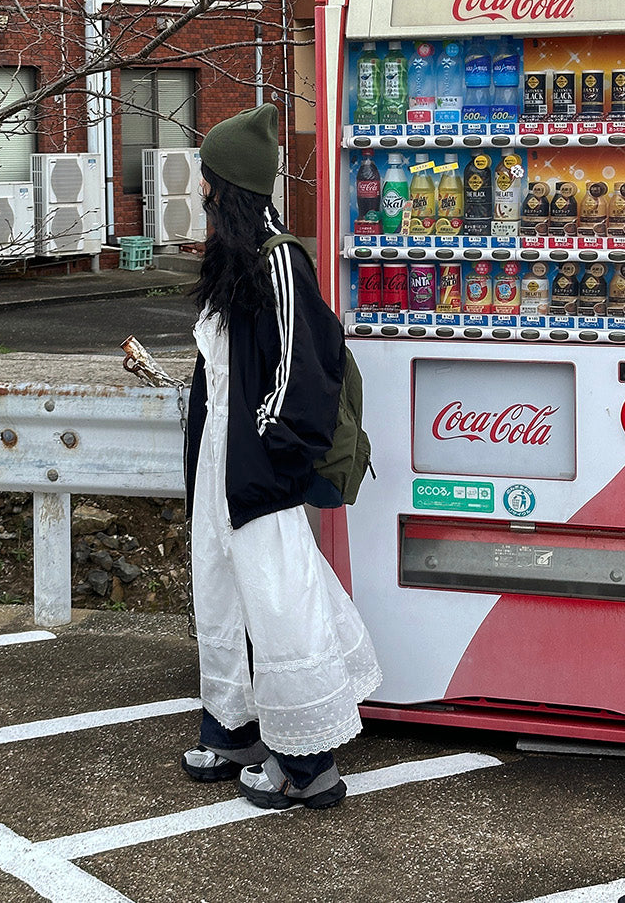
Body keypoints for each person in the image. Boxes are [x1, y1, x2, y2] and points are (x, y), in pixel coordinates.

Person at [181, 102, 381, 811]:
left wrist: (265, 450)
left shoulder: (279, 260)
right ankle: (232, 729)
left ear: (225, 185)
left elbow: (304, 376)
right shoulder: (233, 258)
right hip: (223, 470)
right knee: (224, 594)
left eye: (205, 177)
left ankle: (308, 764)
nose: (197, 188)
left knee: (280, 602)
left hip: (257, 473)